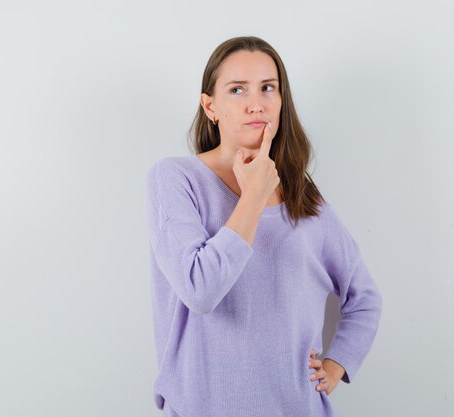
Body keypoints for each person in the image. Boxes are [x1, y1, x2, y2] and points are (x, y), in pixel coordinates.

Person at [145, 35, 383, 417]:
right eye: (237, 89)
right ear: (210, 106)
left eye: (268, 88)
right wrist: (254, 195)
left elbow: (364, 297)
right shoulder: (176, 179)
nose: (256, 104)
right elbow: (200, 289)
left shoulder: (303, 197)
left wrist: (337, 364)